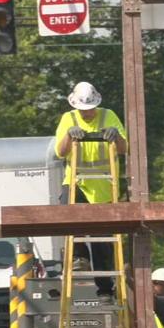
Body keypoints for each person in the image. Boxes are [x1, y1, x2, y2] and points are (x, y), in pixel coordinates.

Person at [55, 81, 128, 302]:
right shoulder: (69, 118)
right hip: (76, 181)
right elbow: (60, 152)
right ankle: (78, 257)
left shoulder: (108, 116)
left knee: (102, 242)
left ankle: (105, 290)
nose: (86, 114)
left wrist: (116, 136)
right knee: (67, 213)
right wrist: (69, 134)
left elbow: (125, 149)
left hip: (104, 186)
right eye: (82, 110)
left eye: (89, 109)